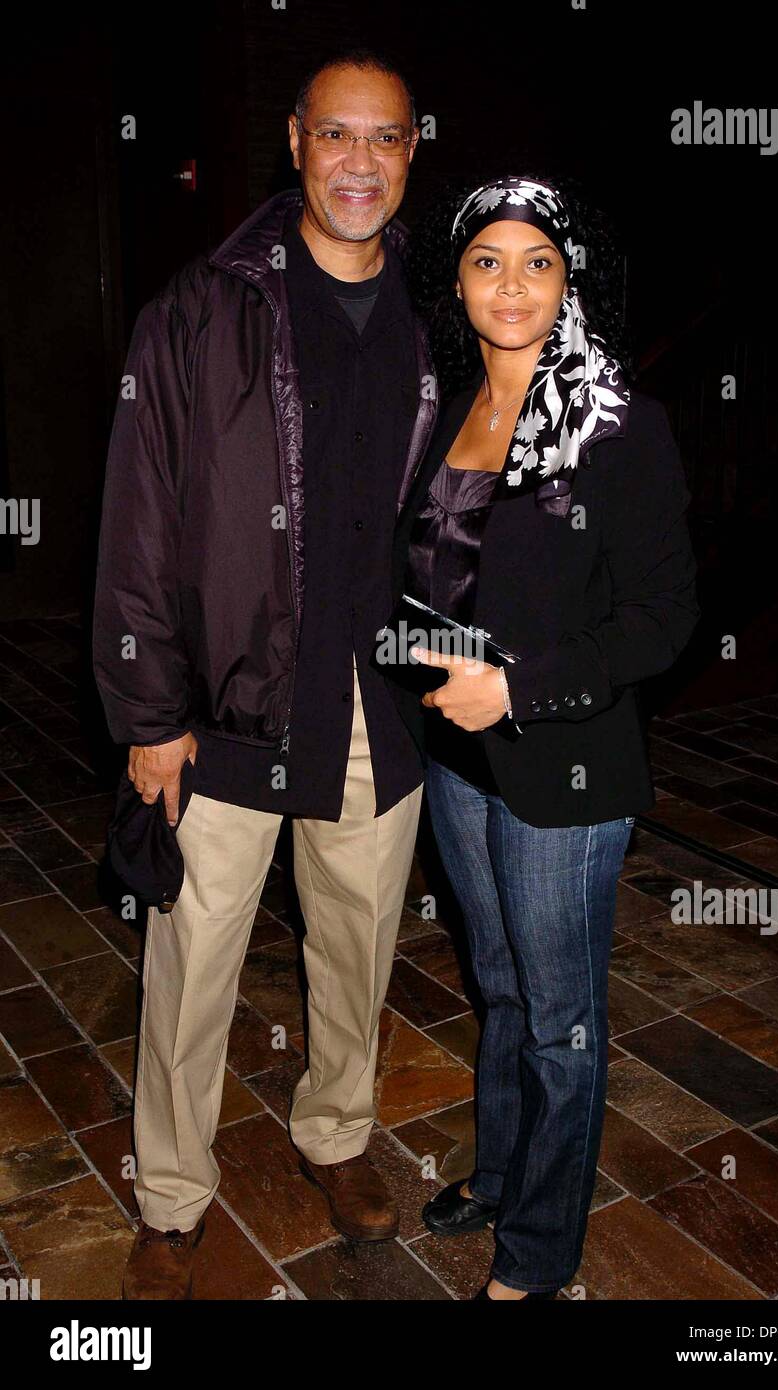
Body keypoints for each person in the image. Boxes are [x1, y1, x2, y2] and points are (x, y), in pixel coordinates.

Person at [92, 49, 438, 1300]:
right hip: (229, 694)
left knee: (359, 944)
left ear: (412, 154)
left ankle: (337, 1130)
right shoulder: (198, 313)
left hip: (373, 698)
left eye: (385, 139)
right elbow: (138, 524)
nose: (359, 162)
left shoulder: (436, 310)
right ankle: (174, 1196)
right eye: (336, 135)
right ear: (295, 142)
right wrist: (149, 712)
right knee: (194, 957)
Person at [387, 176, 699, 1299]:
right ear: (456, 279)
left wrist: (514, 687)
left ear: (573, 280)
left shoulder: (618, 422)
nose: (510, 284)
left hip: (562, 763)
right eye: (486, 261)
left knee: (560, 1017)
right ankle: (507, 1171)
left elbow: (664, 619)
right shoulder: (454, 404)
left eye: (537, 262)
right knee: (503, 988)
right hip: (458, 759)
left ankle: (541, 1255)